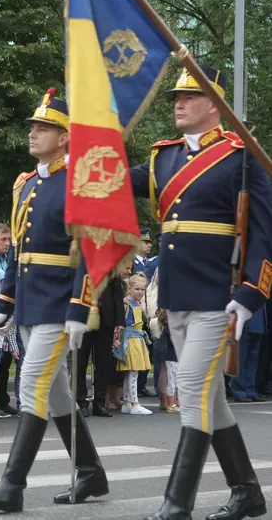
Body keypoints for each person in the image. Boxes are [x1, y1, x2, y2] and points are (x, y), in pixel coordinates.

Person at [130, 66, 272, 520]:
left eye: (189, 96)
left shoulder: (241, 157)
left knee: (191, 389)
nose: (178, 102)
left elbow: (264, 233)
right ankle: (247, 492)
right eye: (176, 95)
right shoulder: (162, 158)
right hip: (177, 296)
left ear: (215, 105)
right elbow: (113, 182)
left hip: (218, 296)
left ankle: (177, 504)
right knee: (211, 399)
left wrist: (252, 292)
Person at [0, 89, 107, 511]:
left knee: (30, 385)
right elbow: (18, 249)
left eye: (43, 127)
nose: (33, 133)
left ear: (65, 136)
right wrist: (5, 300)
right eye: (33, 126)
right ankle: (90, 473)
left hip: (59, 303)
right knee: (56, 397)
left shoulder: (80, 182)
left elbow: (91, 250)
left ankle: (12, 485)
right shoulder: (27, 184)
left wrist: (79, 306)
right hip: (32, 302)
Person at [76, 272, 125, 418]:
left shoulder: (109, 259)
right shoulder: (80, 257)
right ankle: (80, 401)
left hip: (106, 317)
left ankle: (99, 402)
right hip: (83, 315)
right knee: (80, 360)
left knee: (103, 362)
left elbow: (117, 291)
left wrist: (120, 321)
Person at [0, 223, 19, 418]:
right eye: (3, 239)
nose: (7, 243)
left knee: (6, 360)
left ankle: (1, 399)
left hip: (11, 312)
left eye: (9, 240)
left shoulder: (9, 258)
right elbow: (3, 279)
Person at [116, 274, 153, 415]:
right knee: (133, 372)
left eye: (143, 289)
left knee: (131, 372)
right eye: (137, 289)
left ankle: (127, 402)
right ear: (129, 288)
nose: (140, 292)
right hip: (130, 340)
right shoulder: (126, 304)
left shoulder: (137, 304)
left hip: (138, 339)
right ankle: (135, 403)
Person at [230, 306, 267, 403]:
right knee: (240, 359)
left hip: (258, 322)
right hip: (243, 320)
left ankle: (250, 390)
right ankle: (239, 391)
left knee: (252, 360)